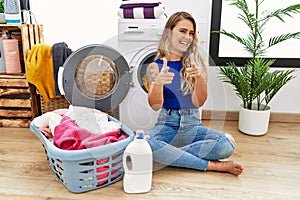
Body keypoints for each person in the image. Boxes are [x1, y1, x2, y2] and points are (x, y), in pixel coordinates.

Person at [145, 11, 244, 176]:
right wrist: (158, 82)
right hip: (167, 126)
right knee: (144, 142)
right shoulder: (155, 66)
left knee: (227, 144)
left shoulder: (195, 63)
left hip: (192, 126)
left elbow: (199, 103)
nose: (188, 36)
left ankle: (167, 155)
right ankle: (213, 166)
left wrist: (198, 77)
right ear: (169, 32)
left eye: (191, 33)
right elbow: (155, 106)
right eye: (182, 31)